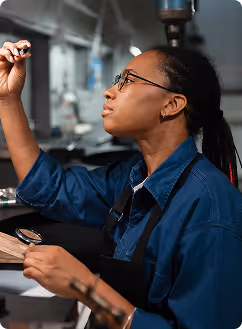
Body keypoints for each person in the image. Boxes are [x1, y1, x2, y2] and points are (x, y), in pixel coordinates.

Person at [0, 40, 242, 329]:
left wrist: (86, 287)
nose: (109, 91)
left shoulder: (210, 211)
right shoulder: (133, 177)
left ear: (172, 104)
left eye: (127, 81)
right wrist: (8, 100)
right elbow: (52, 188)